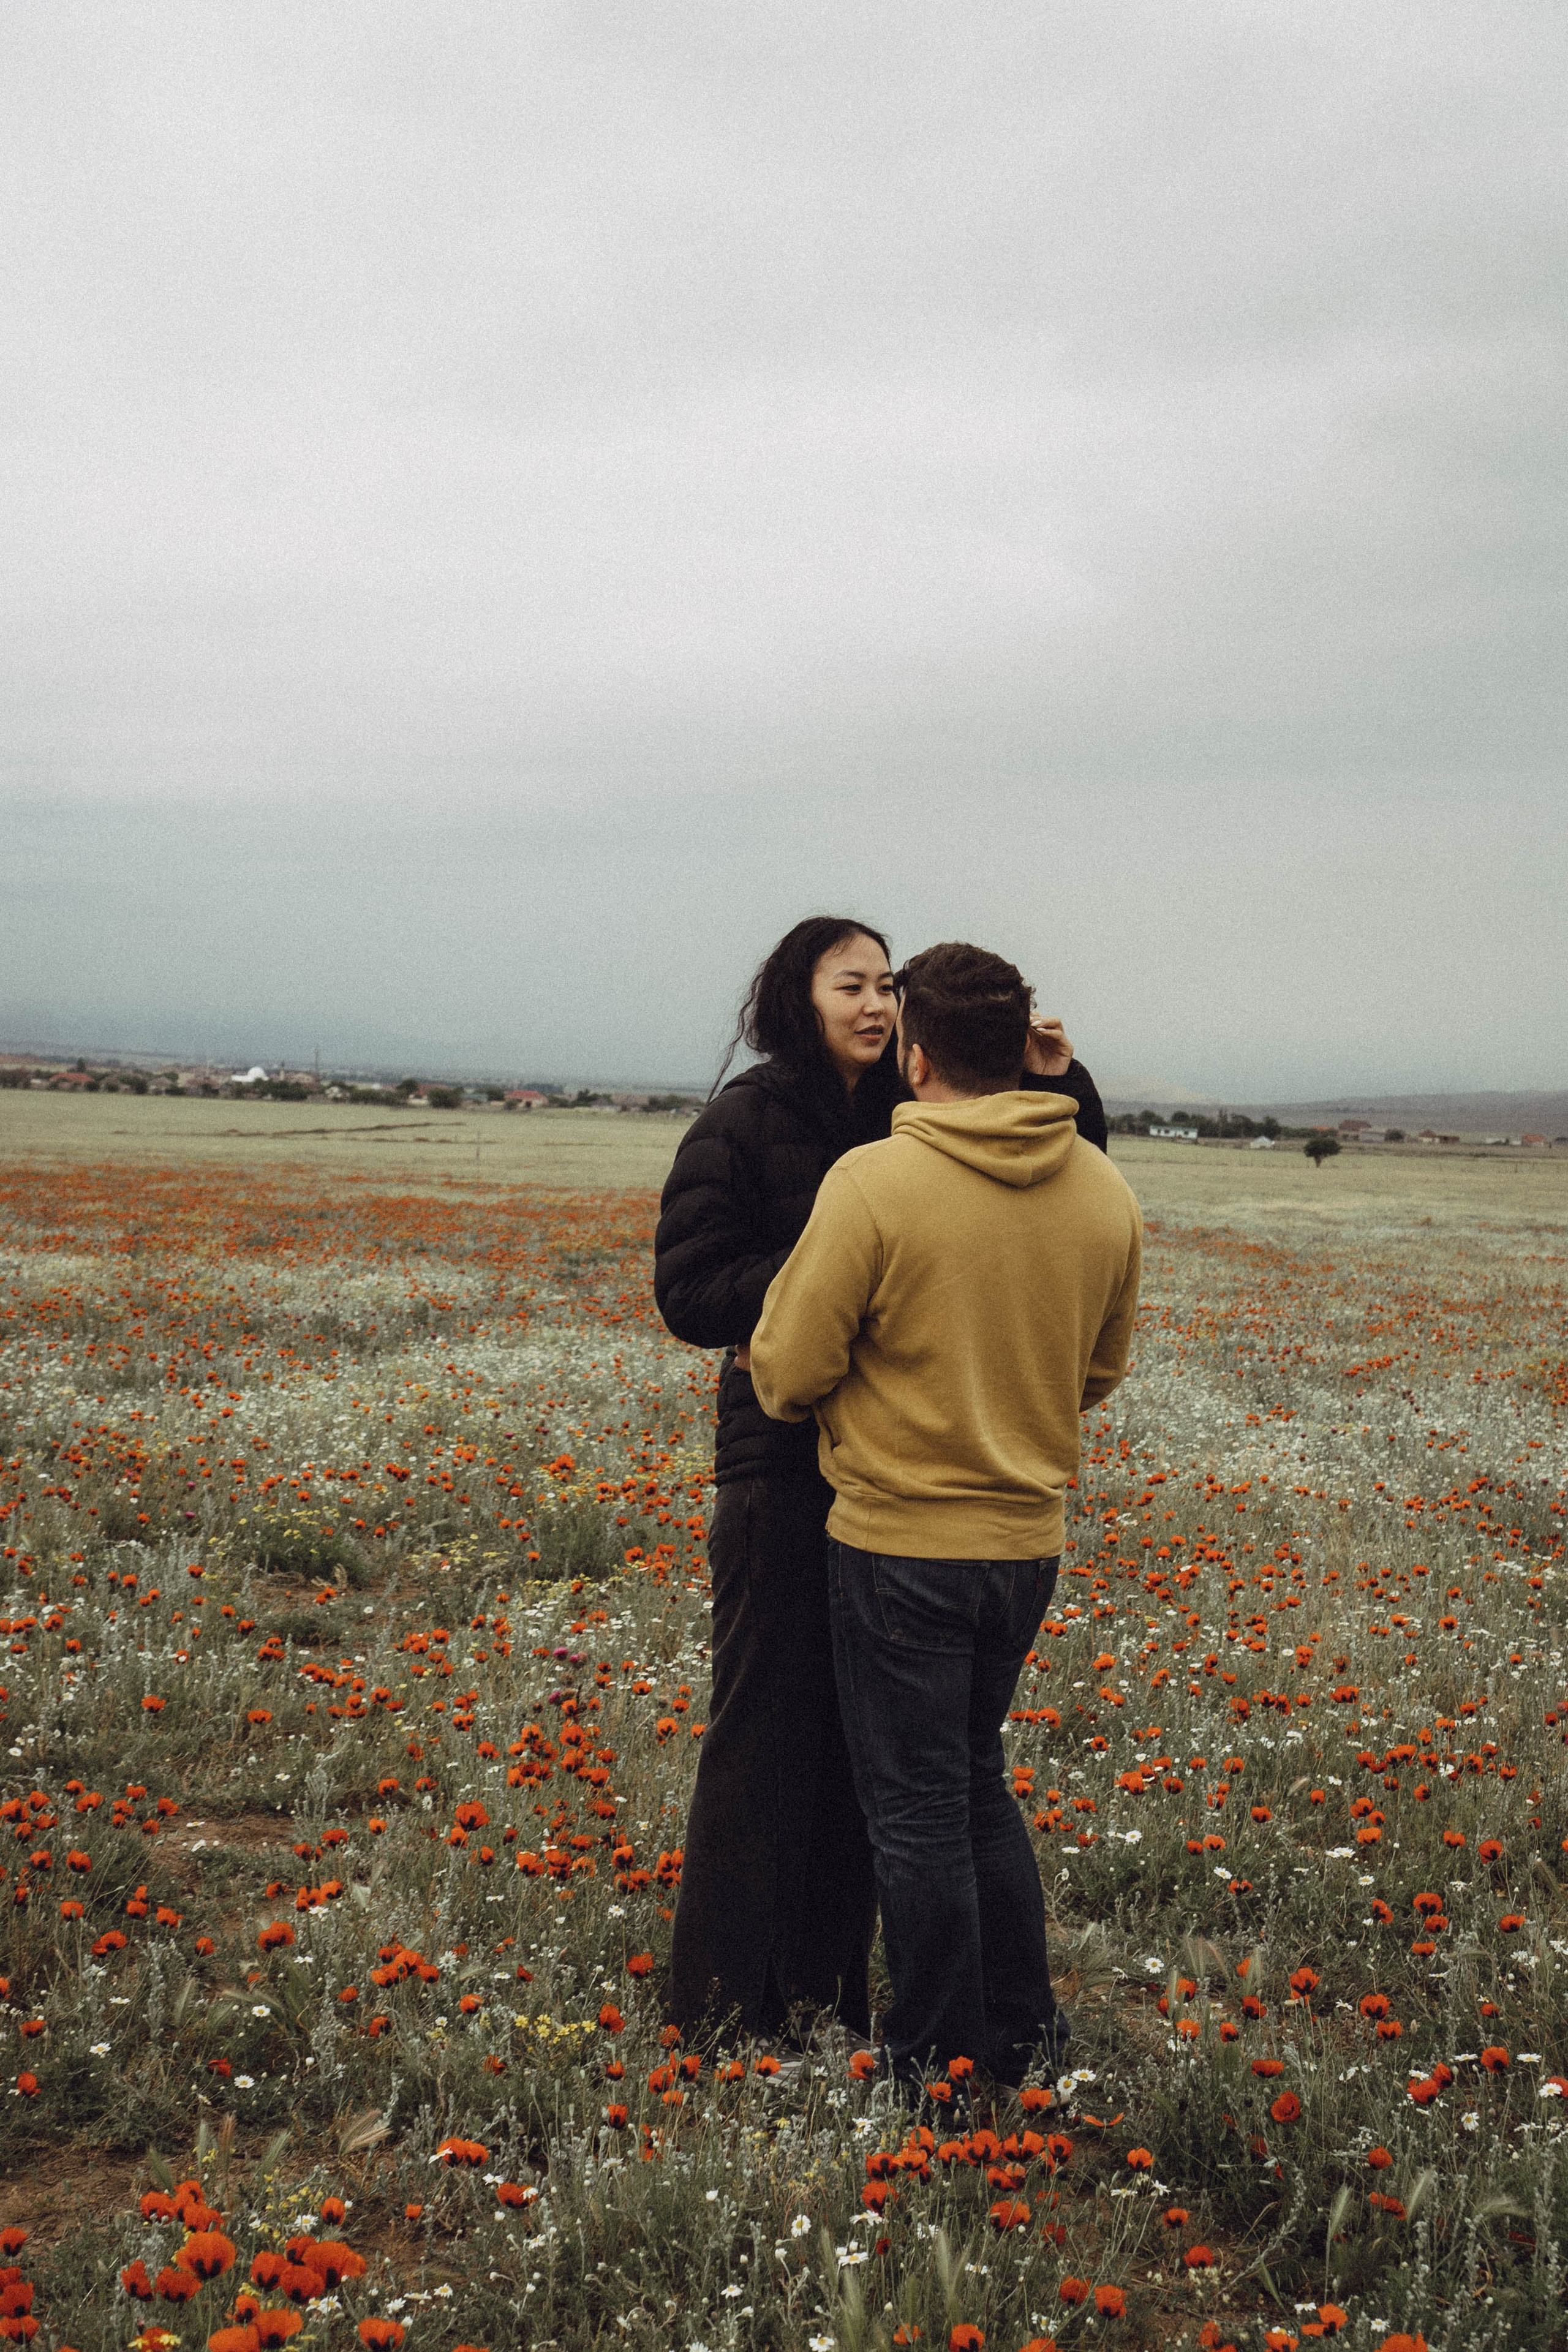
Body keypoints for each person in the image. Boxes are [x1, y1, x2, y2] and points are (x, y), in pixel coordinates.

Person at [654, 917, 1108, 2045]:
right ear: (793, 1000)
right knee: (766, 1738)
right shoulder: (749, 1121)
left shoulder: (908, 1130)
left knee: (878, 1766)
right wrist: (834, 1283)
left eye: (885, 988)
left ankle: (827, 1993)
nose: (871, 1004)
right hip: (783, 1463)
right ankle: (725, 2006)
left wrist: (1062, 1083)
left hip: (899, 1482)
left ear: (917, 1038)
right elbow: (692, 1290)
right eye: (847, 984)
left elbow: (1047, 1193)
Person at [748, 941, 1142, 2090]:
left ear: (916, 1054)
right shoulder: (1104, 1189)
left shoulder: (875, 1184)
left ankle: (936, 2069)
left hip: (898, 1542)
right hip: (1026, 1545)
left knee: (915, 1813)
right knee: (973, 1785)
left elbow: (786, 1370)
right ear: (1024, 1048)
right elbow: (1101, 1371)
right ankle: (1025, 2041)